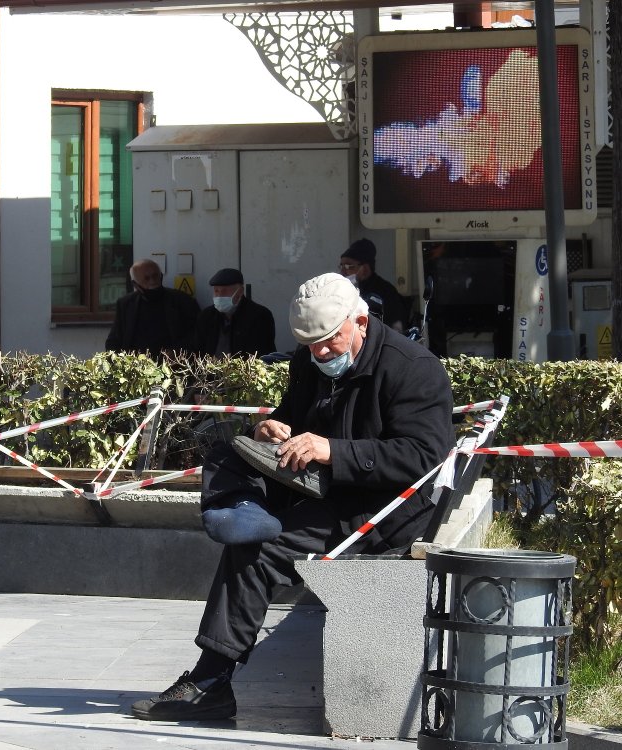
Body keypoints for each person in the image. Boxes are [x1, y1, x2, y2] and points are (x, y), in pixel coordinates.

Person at [130, 272, 454, 721]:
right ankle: (237, 512)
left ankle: (210, 682)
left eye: (328, 340)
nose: (319, 352)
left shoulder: (411, 366)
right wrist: (270, 428)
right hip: (323, 493)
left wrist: (333, 451)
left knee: (255, 551)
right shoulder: (310, 360)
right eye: (309, 343)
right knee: (234, 476)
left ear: (360, 321)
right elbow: (296, 415)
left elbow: (423, 456)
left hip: (383, 513)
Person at [105, 259, 199, 359]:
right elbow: (113, 341)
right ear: (135, 284)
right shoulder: (126, 304)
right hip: (136, 368)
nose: (153, 281)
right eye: (146, 278)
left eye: (155, 276)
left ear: (161, 276)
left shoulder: (183, 301)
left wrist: (177, 353)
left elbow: (197, 336)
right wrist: (122, 362)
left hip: (173, 367)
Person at [194, 267, 276, 357]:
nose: (219, 296)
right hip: (210, 369)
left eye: (225, 291)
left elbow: (261, 353)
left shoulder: (259, 316)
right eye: (216, 291)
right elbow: (197, 350)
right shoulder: (206, 316)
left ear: (240, 291)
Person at [339, 238, 408, 332]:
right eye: (341, 266)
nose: (342, 271)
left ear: (365, 269)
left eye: (348, 266)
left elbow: (396, 329)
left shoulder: (386, 292)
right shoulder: (342, 289)